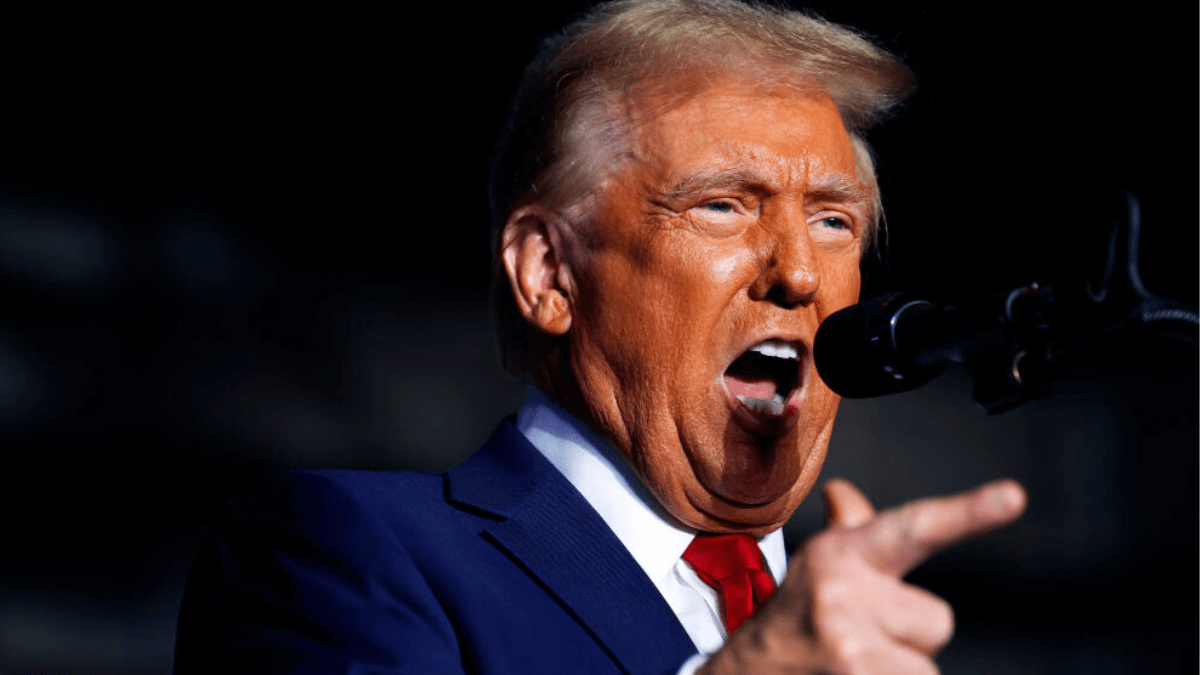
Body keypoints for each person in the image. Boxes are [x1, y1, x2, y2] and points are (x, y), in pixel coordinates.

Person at [174, 1, 1026, 673]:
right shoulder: (342, 552)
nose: (799, 272)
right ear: (548, 273)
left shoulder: (856, 630)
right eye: (724, 204)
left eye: (835, 220)